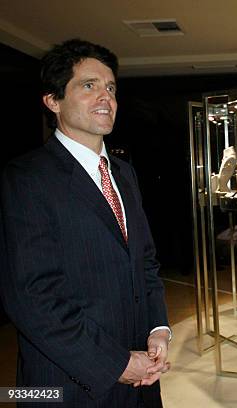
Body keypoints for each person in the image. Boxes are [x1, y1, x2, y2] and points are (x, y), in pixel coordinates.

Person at [0, 39, 171, 407]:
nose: (105, 97)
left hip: (142, 380)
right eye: (88, 85)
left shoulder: (124, 174)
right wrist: (116, 363)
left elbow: (144, 262)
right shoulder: (27, 178)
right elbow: (32, 297)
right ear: (53, 101)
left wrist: (158, 329)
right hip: (68, 383)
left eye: (110, 88)